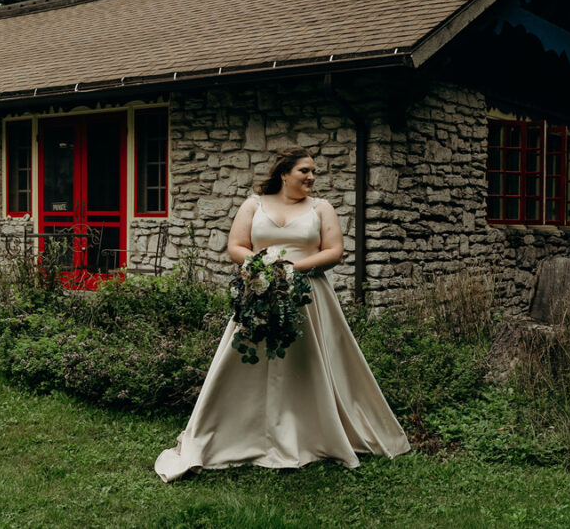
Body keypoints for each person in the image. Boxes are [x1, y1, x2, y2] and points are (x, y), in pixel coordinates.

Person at [155, 147, 411, 482]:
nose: (312, 177)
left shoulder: (322, 208)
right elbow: (236, 245)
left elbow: (334, 252)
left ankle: (313, 431)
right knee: (249, 358)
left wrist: (290, 268)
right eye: (305, 170)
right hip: (260, 292)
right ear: (284, 173)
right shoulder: (254, 204)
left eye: (314, 172)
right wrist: (262, 268)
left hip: (310, 297)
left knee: (309, 362)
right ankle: (236, 432)